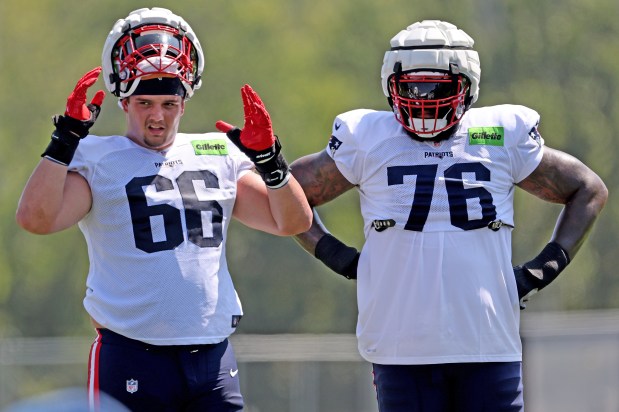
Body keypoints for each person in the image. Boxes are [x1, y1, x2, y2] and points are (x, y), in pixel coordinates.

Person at [291, 20, 607, 411]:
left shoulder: (500, 135)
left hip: (486, 344)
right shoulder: (367, 138)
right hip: (402, 349)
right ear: (391, 85)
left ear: (467, 86)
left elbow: (588, 189)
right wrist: (339, 257)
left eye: (437, 87)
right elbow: (287, 196)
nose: (423, 99)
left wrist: (541, 269)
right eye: (411, 87)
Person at [16, 7, 312, 412]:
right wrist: (63, 141)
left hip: (212, 357)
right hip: (132, 354)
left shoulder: (216, 152)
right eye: (144, 102)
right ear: (123, 101)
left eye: (169, 103)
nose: (157, 116)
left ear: (185, 101)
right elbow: (36, 219)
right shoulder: (99, 158)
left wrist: (270, 162)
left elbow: (292, 221)